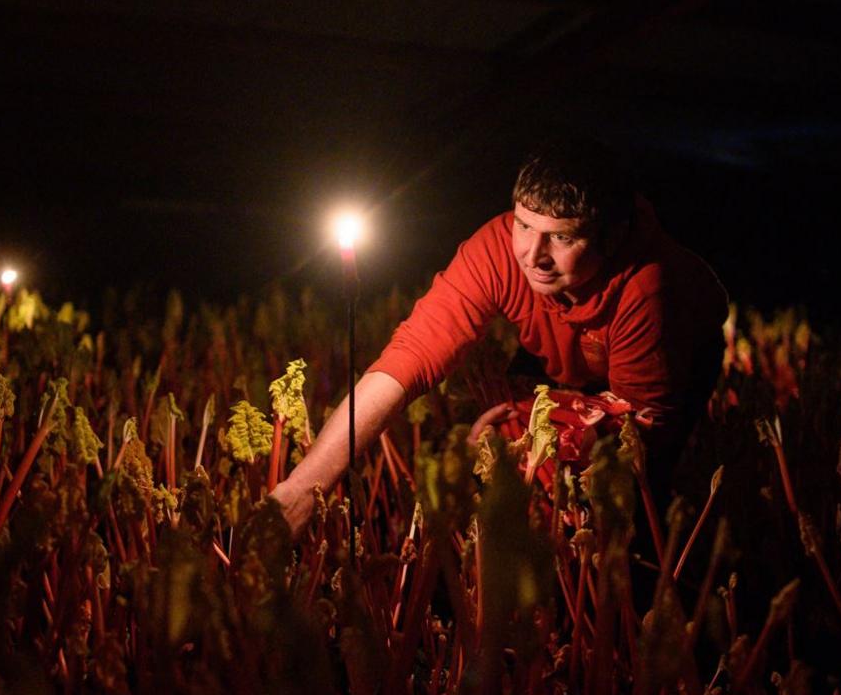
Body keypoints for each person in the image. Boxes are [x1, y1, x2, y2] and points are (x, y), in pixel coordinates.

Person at [270, 137, 728, 541]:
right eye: (524, 225)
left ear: (613, 235)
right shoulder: (497, 249)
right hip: (562, 348)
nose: (532, 256)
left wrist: (532, 437)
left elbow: (640, 433)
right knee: (501, 458)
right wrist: (304, 487)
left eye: (561, 237)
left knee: (631, 512)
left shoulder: (649, 287)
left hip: (667, 374)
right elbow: (409, 356)